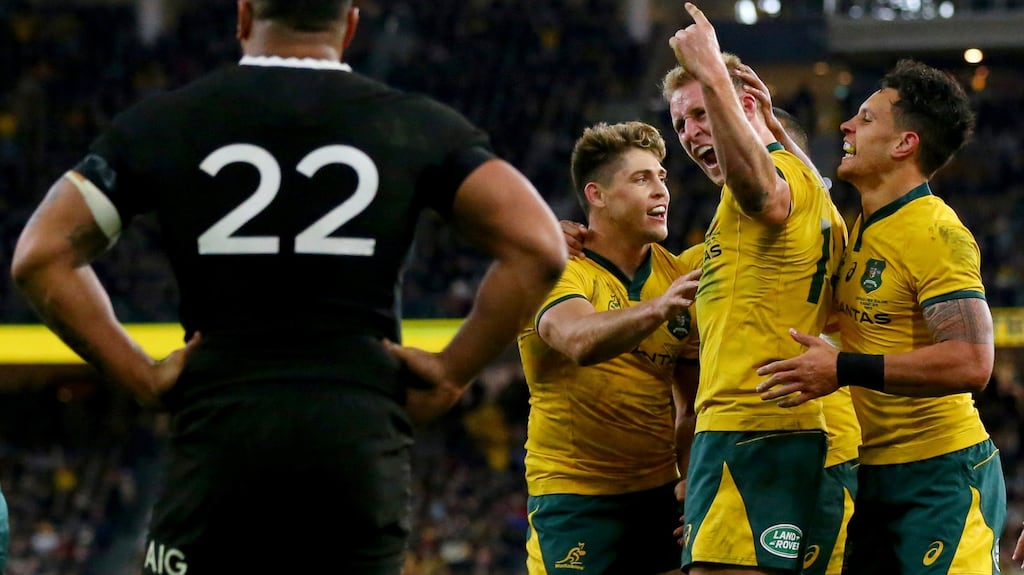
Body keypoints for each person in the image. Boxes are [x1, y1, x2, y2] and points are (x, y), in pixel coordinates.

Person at [10, 1, 566, 573]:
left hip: (221, 436)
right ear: (350, 25)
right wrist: (452, 373)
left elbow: (41, 256)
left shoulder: (165, 123)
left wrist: (141, 376)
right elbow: (539, 247)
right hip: (356, 440)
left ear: (244, 16)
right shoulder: (415, 126)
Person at [755, 59, 1006, 574]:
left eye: (865, 119)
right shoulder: (863, 226)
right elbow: (809, 194)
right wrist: (774, 137)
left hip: (941, 476)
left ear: (903, 145)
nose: (846, 126)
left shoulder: (935, 232)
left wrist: (842, 368)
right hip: (873, 474)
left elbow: (972, 362)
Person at [663, 4, 848, 574]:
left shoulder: (767, 188)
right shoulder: (816, 198)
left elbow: (765, 194)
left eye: (700, 113)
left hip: (747, 430)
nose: (693, 134)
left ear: (742, 106)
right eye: (681, 125)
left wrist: (714, 73)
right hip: (791, 434)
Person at [518, 120, 701, 575]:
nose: (662, 191)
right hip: (574, 498)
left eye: (662, 176)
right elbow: (579, 339)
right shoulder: (557, 267)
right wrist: (658, 309)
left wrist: (691, 484)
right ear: (597, 195)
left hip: (659, 495)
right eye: (642, 179)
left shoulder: (673, 275)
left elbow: (692, 405)